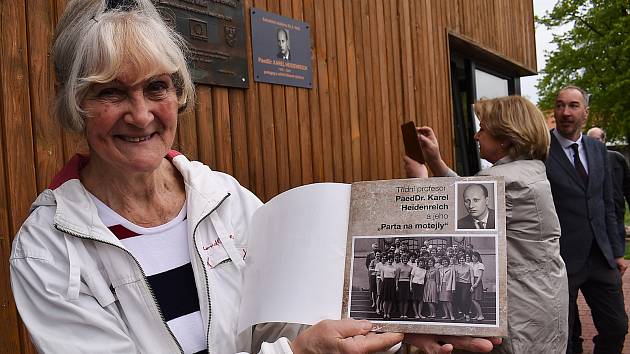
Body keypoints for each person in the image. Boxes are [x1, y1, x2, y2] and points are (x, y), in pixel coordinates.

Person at [9, 1, 502, 353]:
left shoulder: (223, 198)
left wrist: (394, 329)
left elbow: (282, 322)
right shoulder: (50, 248)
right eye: (111, 92)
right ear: (75, 103)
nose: (141, 115)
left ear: (179, 92)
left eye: (156, 86)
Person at [405, 95, 569, 353]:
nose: (476, 136)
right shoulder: (527, 170)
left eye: (482, 128)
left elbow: (441, 219)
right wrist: (436, 161)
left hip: (520, 309)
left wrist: (420, 180)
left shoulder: (503, 180)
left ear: (504, 137)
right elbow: (472, 194)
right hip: (540, 298)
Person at [547, 86, 628, 354]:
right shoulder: (540, 149)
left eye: (572, 106)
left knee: (616, 327)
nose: (565, 112)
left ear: (585, 112)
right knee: (567, 337)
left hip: (600, 256)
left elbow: (609, 204)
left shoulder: (597, 149)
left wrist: (617, 251)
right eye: (560, 106)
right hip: (560, 259)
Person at [453, 254, 474, 321]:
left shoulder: (469, 267)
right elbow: (455, 277)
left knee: (464, 299)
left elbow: (472, 277)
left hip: (466, 284)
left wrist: (472, 286)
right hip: (458, 284)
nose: (461, 260)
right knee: (458, 300)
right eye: (460, 259)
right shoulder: (457, 267)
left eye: (462, 259)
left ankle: (467, 314)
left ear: (465, 259)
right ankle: (464, 314)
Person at [396, 254, 413, 318]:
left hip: (407, 283)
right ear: (402, 260)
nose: (405, 260)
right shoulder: (399, 267)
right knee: (401, 299)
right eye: (404, 259)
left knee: (406, 299)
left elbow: (411, 277)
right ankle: (401, 314)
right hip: (400, 283)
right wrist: (396, 286)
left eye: (406, 259)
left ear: (408, 260)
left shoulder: (410, 267)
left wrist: (410, 286)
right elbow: (397, 277)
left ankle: (405, 314)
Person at [470, 252, 485, 321]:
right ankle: (477, 315)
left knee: (475, 299)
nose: (474, 258)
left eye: (475, 257)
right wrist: (472, 284)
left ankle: (481, 315)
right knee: (473, 299)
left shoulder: (480, 265)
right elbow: (471, 275)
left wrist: (476, 283)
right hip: (472, 281)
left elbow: (480, 276)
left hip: (477, 282)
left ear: (478, 257)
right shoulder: (471, 264)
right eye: (473, 257)